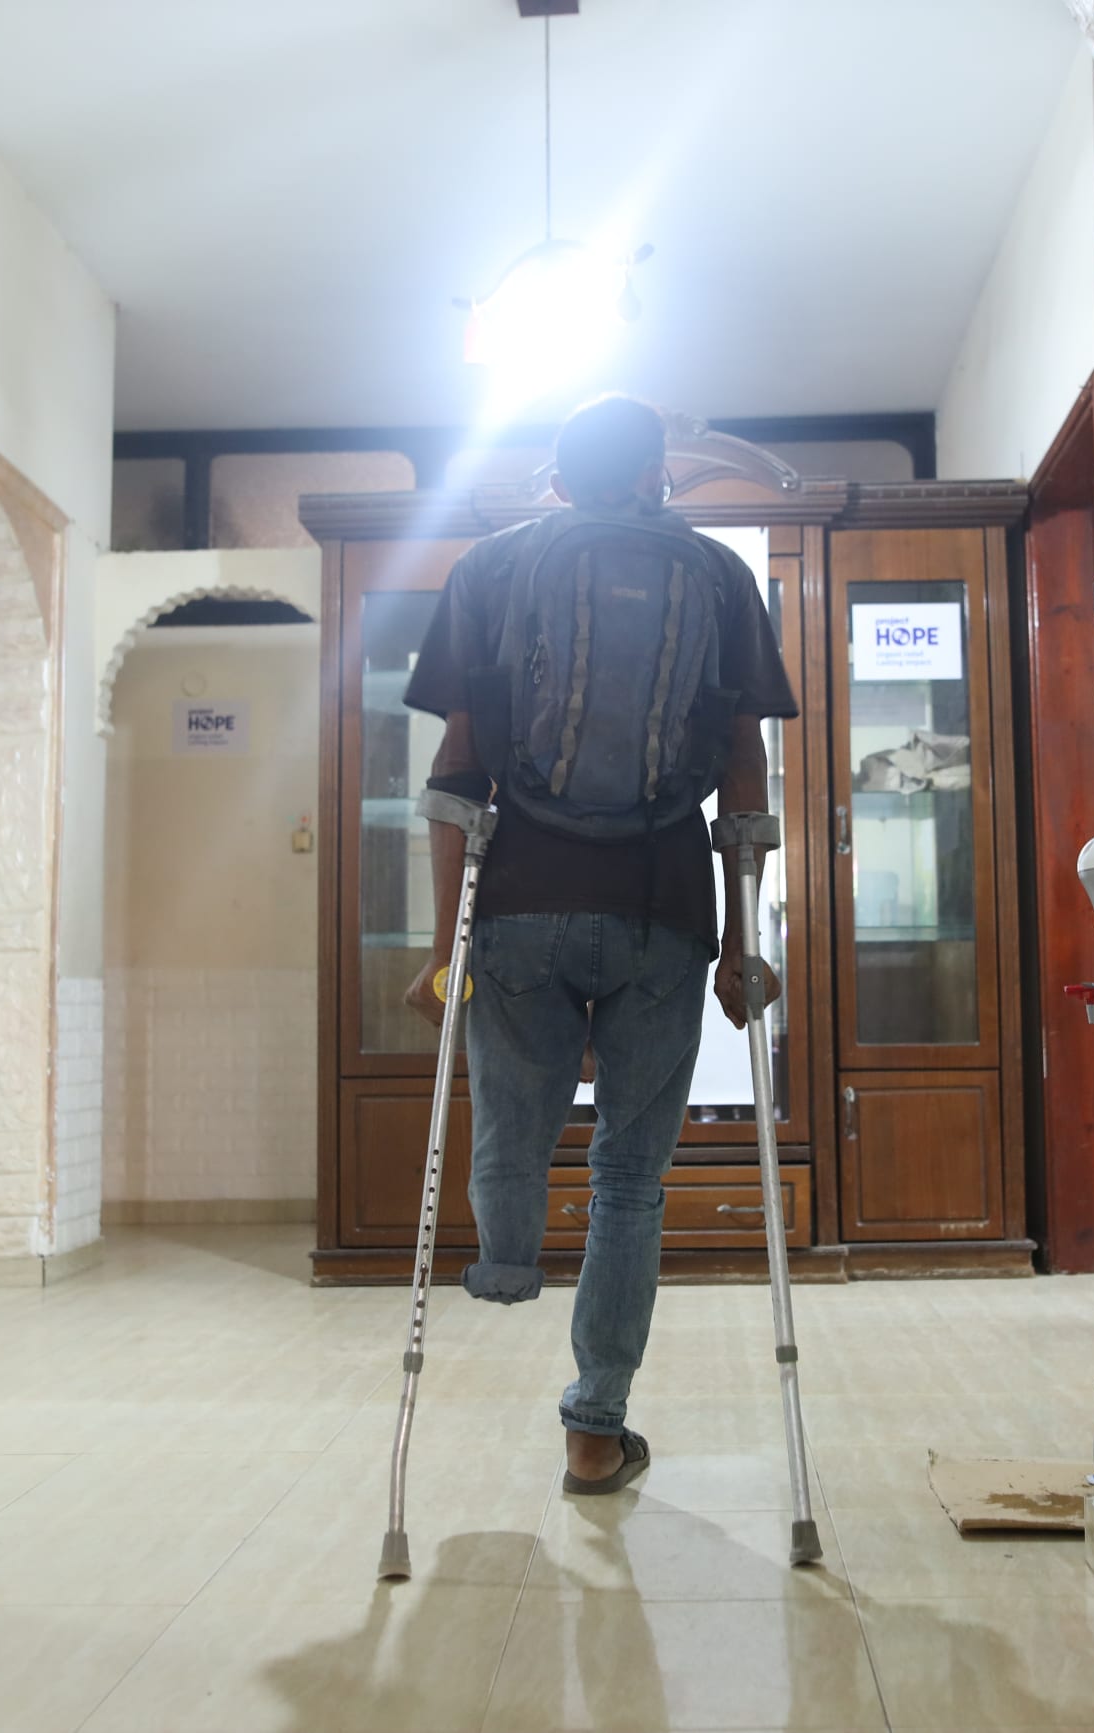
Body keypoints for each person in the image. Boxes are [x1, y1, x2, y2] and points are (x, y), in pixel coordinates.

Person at [401, 394, 798, 1494]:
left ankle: (506, 1257)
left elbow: (453, 776)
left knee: (512, 1126)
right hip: (663, 911)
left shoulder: (489, 568)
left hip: (518, 909)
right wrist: (740, 944)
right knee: (629, 1178)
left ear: (558, 480)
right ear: (662, 477)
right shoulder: (715, 574)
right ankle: (593, 1424)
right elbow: (744, 774)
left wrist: (447, 949)